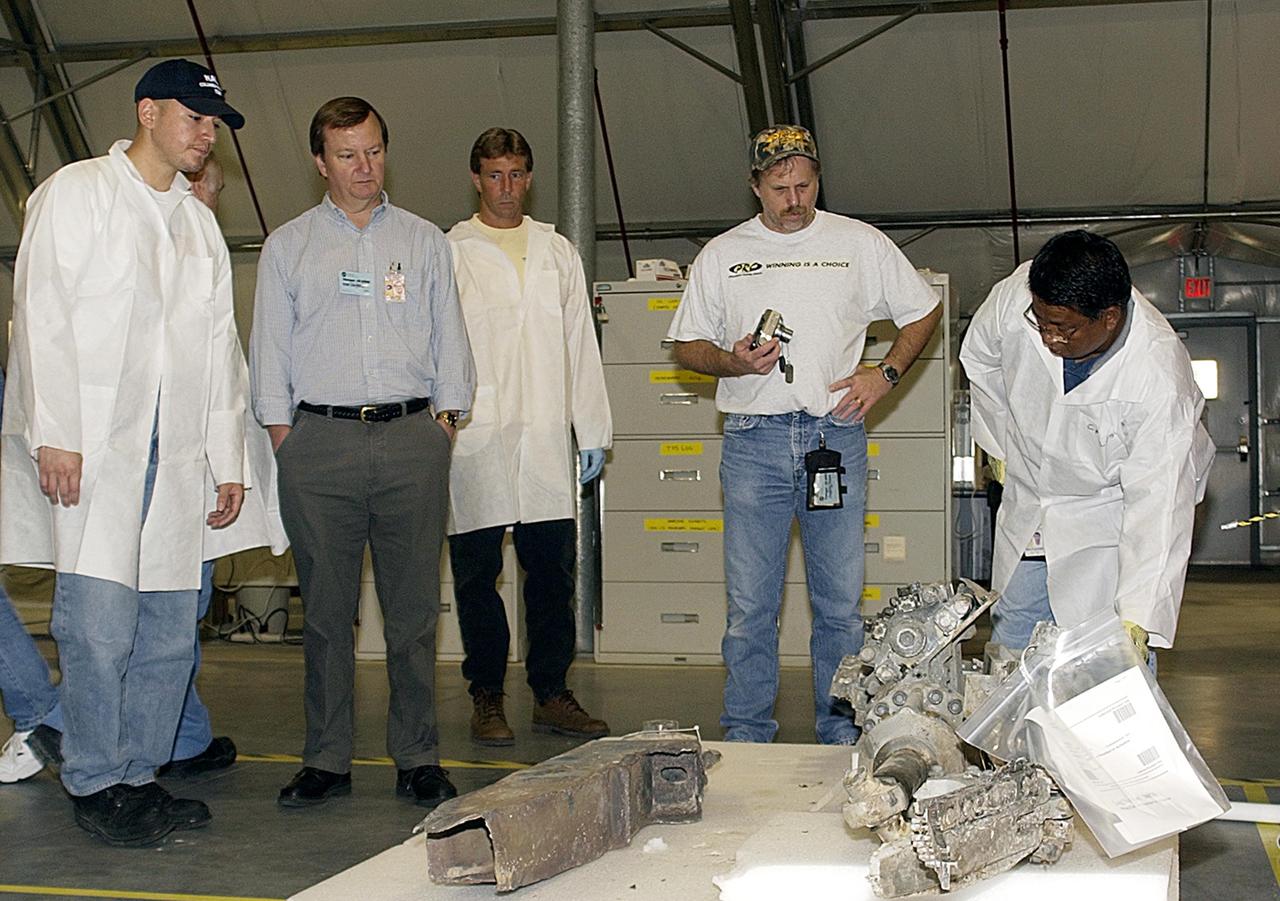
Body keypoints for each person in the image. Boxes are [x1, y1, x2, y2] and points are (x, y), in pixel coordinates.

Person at [0, 58, 248, 845]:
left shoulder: (196, 223)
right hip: (97, 452)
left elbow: (221, 352)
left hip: (174, 459)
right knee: (99, 626)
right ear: (147, 112)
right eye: (194, 118)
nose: (206, 135)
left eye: (214, 124)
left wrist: (227, 457)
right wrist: (57, 433)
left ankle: (140, 773)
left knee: (172, 628)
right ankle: (96, 778)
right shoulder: (77, 194)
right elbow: (41, 317)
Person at [667, 125, 941, 744]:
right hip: (752, 442)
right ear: (754, 186)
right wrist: (733, 361)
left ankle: (841, 734)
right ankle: (744, 735)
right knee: (749, 611)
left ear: (818, 178)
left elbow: (923, 308)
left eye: (805, 184)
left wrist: (886, 372)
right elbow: (686, 346)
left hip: (833, 436)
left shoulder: (858, 243)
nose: (794, 199)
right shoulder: (722, 254)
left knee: (841, 606)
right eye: (779, 187)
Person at [251, 97, 475, 810]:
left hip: (413, 440)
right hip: (320, 444)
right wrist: (288, 438)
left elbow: (451, 336)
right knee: (325, 613)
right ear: (320, 162)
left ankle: (416, 755)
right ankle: (326, 758)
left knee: (412, 613)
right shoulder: (289, 246)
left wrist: (444, 421)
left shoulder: (423, 240)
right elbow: (269, 352)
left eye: (374, 151)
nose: (363, 168)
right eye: (347, 155)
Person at [959, 229, 1214, 656]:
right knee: (1010, 649)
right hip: (1032, 504)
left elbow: (1158, 504)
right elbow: (980, 357)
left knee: (1106, 665)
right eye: (1040, 323)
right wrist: (1001, 443)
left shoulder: (1158, 377)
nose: (1048, 338)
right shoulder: (1017, 297)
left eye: (1064, 329)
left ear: (1109, 318)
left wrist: (1138, 614)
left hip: (1107, 520)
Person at [446, 128, 612, 746]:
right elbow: (443, 348)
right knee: (476, 574)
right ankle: (486, 695)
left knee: (550, 574)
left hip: (545, 431)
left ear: (530, 177)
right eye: (494, 175)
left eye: (517, 175)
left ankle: (550, 692)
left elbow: (580, 348)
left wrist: (591, 427)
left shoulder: (556, 250)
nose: (507, 189)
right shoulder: (452, 250)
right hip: (475, 435)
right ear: (476, 177)